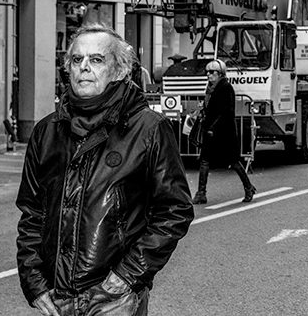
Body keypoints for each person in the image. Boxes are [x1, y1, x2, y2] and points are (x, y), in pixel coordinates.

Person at [16, 24, 194, 316]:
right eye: (77, 59)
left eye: (96, 59)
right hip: (56, 298)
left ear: (119, 70)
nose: (84, 67)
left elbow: (174, 211)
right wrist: (34, 283)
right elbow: (32, 215)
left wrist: (126, 276)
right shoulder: (46, 132)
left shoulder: (149, 129)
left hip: (113, 297)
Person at [192, 59, 257, 204]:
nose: (208, 75)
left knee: (233, 161)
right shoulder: (210, 88)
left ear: (220, 73)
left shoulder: (226, 88)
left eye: (212, 72)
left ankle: (248, 187)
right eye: (207, 72)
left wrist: (213, 128)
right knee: (204, 161)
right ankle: (201, 193)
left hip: (224, 132)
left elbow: (226, 111)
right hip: (210, 130)